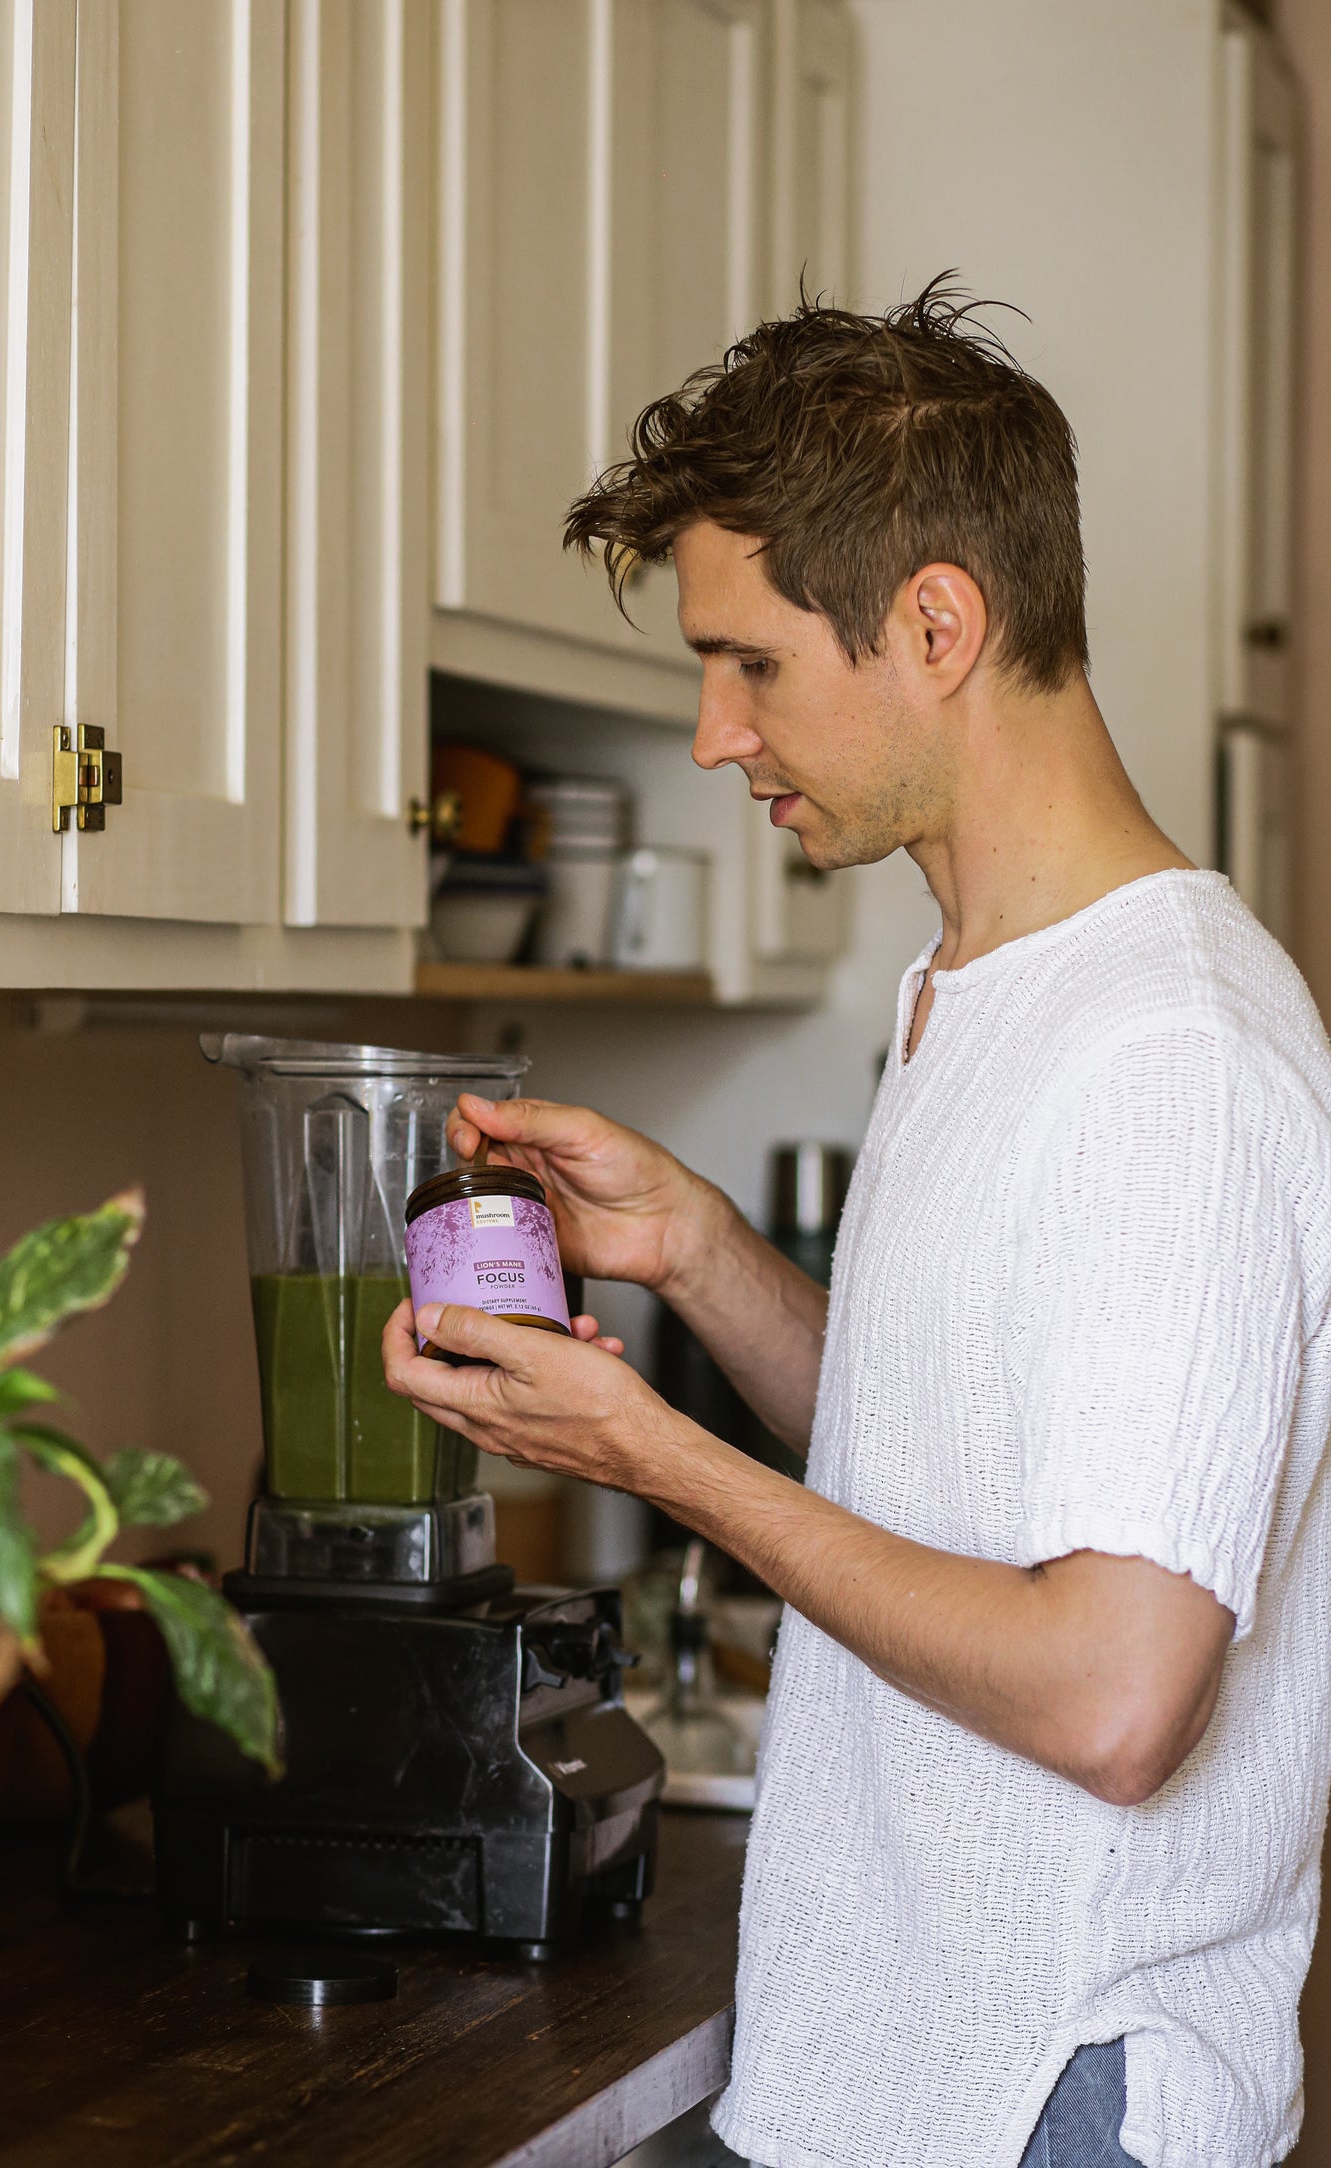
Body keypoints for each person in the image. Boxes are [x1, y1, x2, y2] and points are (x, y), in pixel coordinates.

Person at [383, 283, 1331, 2168]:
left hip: (1048, 2096)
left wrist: (654, 1458)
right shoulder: (976, 984)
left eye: (749, 664)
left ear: (934, 623)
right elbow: (963, 1478)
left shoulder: (1176, 1056)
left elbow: (1115, 1696)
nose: (715, 736)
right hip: (899, 2072)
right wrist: (701, 1253)